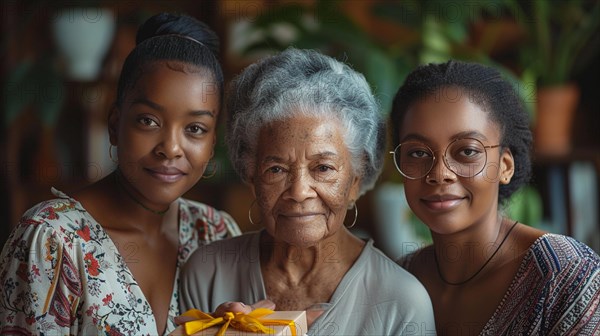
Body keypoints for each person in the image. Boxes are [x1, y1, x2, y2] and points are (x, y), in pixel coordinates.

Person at [0, 13, 241, 335]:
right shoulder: (52, 241)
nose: (170, 148)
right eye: (148, 121)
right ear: (115, 125)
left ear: (212, 143)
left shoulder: (215, 233)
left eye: (195, 128)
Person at [177, 48, 436, 335]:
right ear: (251, 177)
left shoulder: (402, 301)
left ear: (354, 182)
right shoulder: (208, 273)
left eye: (323, 168)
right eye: (276, 169)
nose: (299, 191)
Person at [391, 60, 600, 334]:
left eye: (467, 151)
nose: (440, 173)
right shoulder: (399, 279)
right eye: (417, 153)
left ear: (505, 166)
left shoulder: (566, 276)